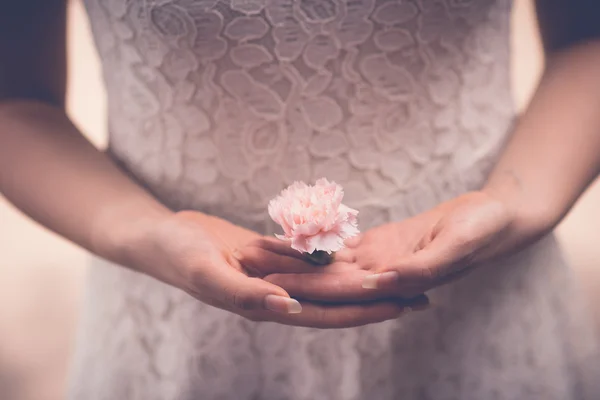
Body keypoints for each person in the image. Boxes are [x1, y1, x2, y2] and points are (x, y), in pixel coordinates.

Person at [1, 0, 599, 398]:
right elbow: (15, 97)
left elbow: (588, 39)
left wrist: (516, 201)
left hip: (480, 289)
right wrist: (144, 233)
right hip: (178, 307)